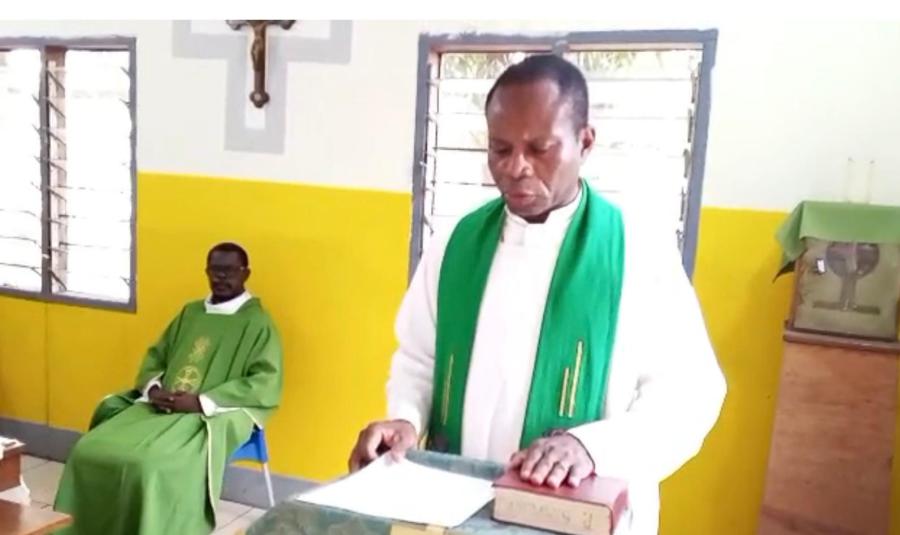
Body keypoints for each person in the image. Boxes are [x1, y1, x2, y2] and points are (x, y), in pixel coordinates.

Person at [349, 55, 726, 535]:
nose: (516, 167)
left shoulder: (637, 252)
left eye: (539, 148)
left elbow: (690, 393)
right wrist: (405, 419)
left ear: (585, 142)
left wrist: (592, 448)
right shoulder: (457, 244)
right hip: (460, 510)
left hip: (580, 515)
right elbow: (419, 359)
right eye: (500, 149)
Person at [54, 242, 283, 535]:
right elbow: (157, 356)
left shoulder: (258, 323)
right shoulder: (191, 313)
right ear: (206, 271)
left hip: (211, 414)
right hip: (161, 406)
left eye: (229, 271)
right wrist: (153, 390)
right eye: (215, 270)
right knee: (87, 450)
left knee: (149, 465)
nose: (221, 277)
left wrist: (201, 401)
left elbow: (264, 381)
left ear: (245, 273)